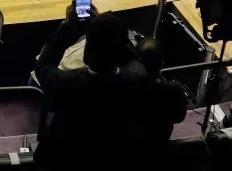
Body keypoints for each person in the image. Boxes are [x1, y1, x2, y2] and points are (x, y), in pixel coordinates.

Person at [34, 13, 186, 167]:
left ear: (86, 54)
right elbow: (178, 114)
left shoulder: (65, 85)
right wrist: (109, 27)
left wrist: (68, 27)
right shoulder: (144, 84)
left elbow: (43, 67)